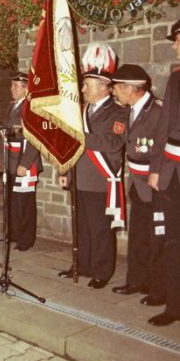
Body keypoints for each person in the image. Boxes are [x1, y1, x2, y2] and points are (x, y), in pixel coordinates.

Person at [59, 42, 126, 289]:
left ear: (101, 86)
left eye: (87, 84)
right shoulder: (81, 110)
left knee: (100, 229)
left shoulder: (118, 112)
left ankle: (101, 271)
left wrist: (81, 136)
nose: (83, 88)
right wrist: (64, 170)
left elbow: (113, 142)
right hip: (79, 176)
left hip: (100, 179)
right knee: (81, 227)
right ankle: (81, 264)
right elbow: (68, 143)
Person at [110, 64, 161, 297]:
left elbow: (166, 148)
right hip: (137, 184)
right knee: (138, 235)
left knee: (157, 237)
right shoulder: (129, 109)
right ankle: (136, 281)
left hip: (156, 185)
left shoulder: (159, 111)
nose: (114, 92)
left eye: (117, 88)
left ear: (131, 88)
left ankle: (156, 287)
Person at [147, 19, 180, 326]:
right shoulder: (176, 79)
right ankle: (174, 306)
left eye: (178, 39)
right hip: (174, 174)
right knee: (173, 241)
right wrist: (157, 168)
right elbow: (164, 128)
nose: (174, 45)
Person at [0, 72, 43, 251]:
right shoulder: (12, 106)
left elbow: (36, 139)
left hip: (24, 161)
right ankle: (12, 234)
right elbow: (3, 134)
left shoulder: (33, 108)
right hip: (10, 159)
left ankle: (26, 239)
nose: (11, 89)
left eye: (15, 86)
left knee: (25, 203)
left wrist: (26, 163)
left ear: (26, 88)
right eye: (12, 85)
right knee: (11, 201)